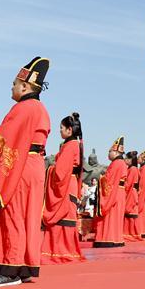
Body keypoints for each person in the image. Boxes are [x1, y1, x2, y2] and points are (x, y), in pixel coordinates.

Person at [0, 57, 51, 287]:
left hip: (20, 166)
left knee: (12, 215)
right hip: (34, 166)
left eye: (14, 83)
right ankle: (22, 266)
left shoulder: (23, 108)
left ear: (25, 86)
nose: (11, 87)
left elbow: (3, 140)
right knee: (27, 217)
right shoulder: (40, 108)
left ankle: (10, 269)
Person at [41, 113, 86, 264]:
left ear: (69, 130)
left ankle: (58, 252)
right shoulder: (74, 144)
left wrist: (49, 169)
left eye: (61, 128)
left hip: (65, 184)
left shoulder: (70, 146)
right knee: (66, 217)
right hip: (70, 183)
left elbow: (60, 171)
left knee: (61, 217)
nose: (60, 130)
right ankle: (67, 251)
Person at [122, 152, 142, 241]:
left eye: (126, 158)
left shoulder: (132, 169)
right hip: (132, 191)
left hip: (131, 192)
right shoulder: (134, 169)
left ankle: (130, 234)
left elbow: (128, 183)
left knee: (129, 212)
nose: (125, 160)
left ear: (130, 160)